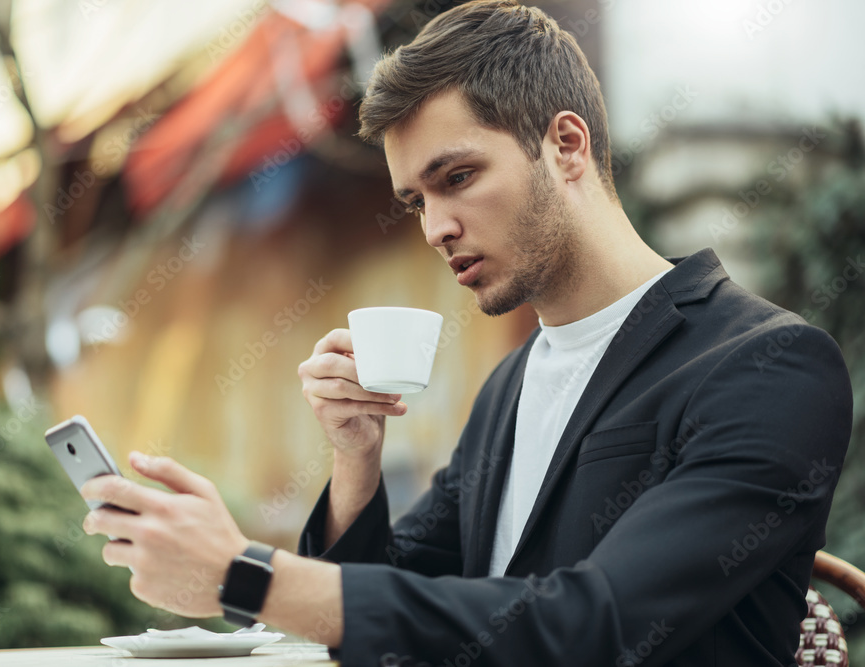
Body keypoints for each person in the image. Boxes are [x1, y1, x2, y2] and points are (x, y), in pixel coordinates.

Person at [80, 2, 853, 665]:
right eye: (416, 201)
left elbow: (595, 626)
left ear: (567, 145)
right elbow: (398, 605)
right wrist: (355, 458)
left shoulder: (770, 367)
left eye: (457, 178)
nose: (435, 228)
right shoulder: (510, 384)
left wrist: (245, 574)